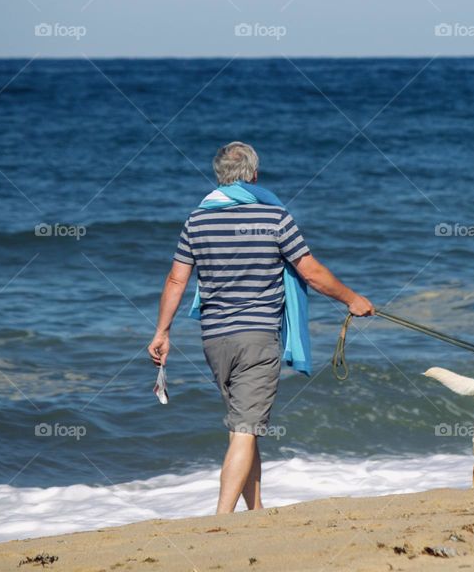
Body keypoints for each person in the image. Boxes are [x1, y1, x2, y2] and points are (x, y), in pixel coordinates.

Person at [148, 141, 374, 514]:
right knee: (245, 429)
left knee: (243, 426)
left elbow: (176, 280)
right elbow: (311, 272)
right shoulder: (274, 218)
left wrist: (162, 332)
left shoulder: (197, 220)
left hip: (214, 339)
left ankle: (257, 512)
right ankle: (220, 520)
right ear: (254, 175)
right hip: (257, 337)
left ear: (219, 176)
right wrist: (352, 299)